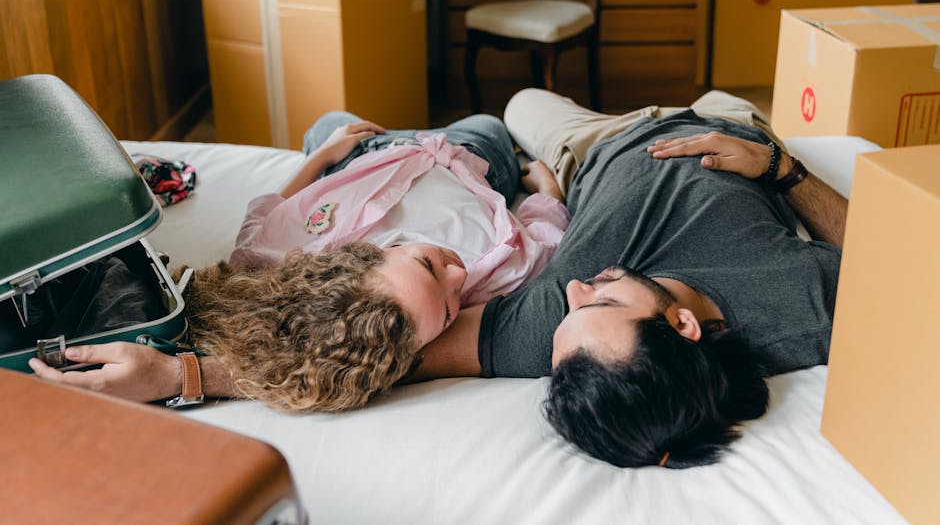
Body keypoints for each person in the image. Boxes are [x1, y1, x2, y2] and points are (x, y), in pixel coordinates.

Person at [413, 88, 846, 468]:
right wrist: (780, 167)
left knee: (520, 102)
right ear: (681, 324)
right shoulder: (802, 305)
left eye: (571, 311)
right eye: (604, 301)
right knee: (729, 96)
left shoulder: (557, 332)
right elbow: (895, 256)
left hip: (591, 147)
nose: (574, 289)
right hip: (731, 125)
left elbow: (391, 353)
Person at [29, 112, 569, 412]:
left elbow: (267, 213)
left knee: (335, 122)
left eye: (434, 271)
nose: (458, 275)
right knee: (487, 128)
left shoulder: (276, 253)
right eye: (447, 298)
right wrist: (547, 190)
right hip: (462, 162)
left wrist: (322, 155)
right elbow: (544, 235)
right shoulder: (498, 265)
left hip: (378, 159)